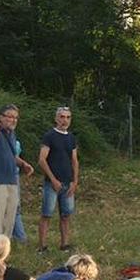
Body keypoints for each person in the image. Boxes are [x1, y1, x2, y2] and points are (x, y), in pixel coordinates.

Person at [0, 104, 33, 237]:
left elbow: (11, 156)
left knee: (9, 221)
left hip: (12, 181)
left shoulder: (11, 134)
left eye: (16, 117)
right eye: (10, 117)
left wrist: (23, 164)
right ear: (1, 117)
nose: (14, 120)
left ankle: (3, 252)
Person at [38, 106, 80, 252]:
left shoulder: (71, 138)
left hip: (68, 183)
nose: (65, 120)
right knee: (47, 214)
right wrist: (53, 179)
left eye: (68, 117)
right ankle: (42, 246)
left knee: (66, 215)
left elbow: (74, 160)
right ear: (56, 119)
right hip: (52, 183)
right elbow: (42, 160)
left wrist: (75, 182)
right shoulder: (49, 136)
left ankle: (64, 244)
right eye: (62, 117)